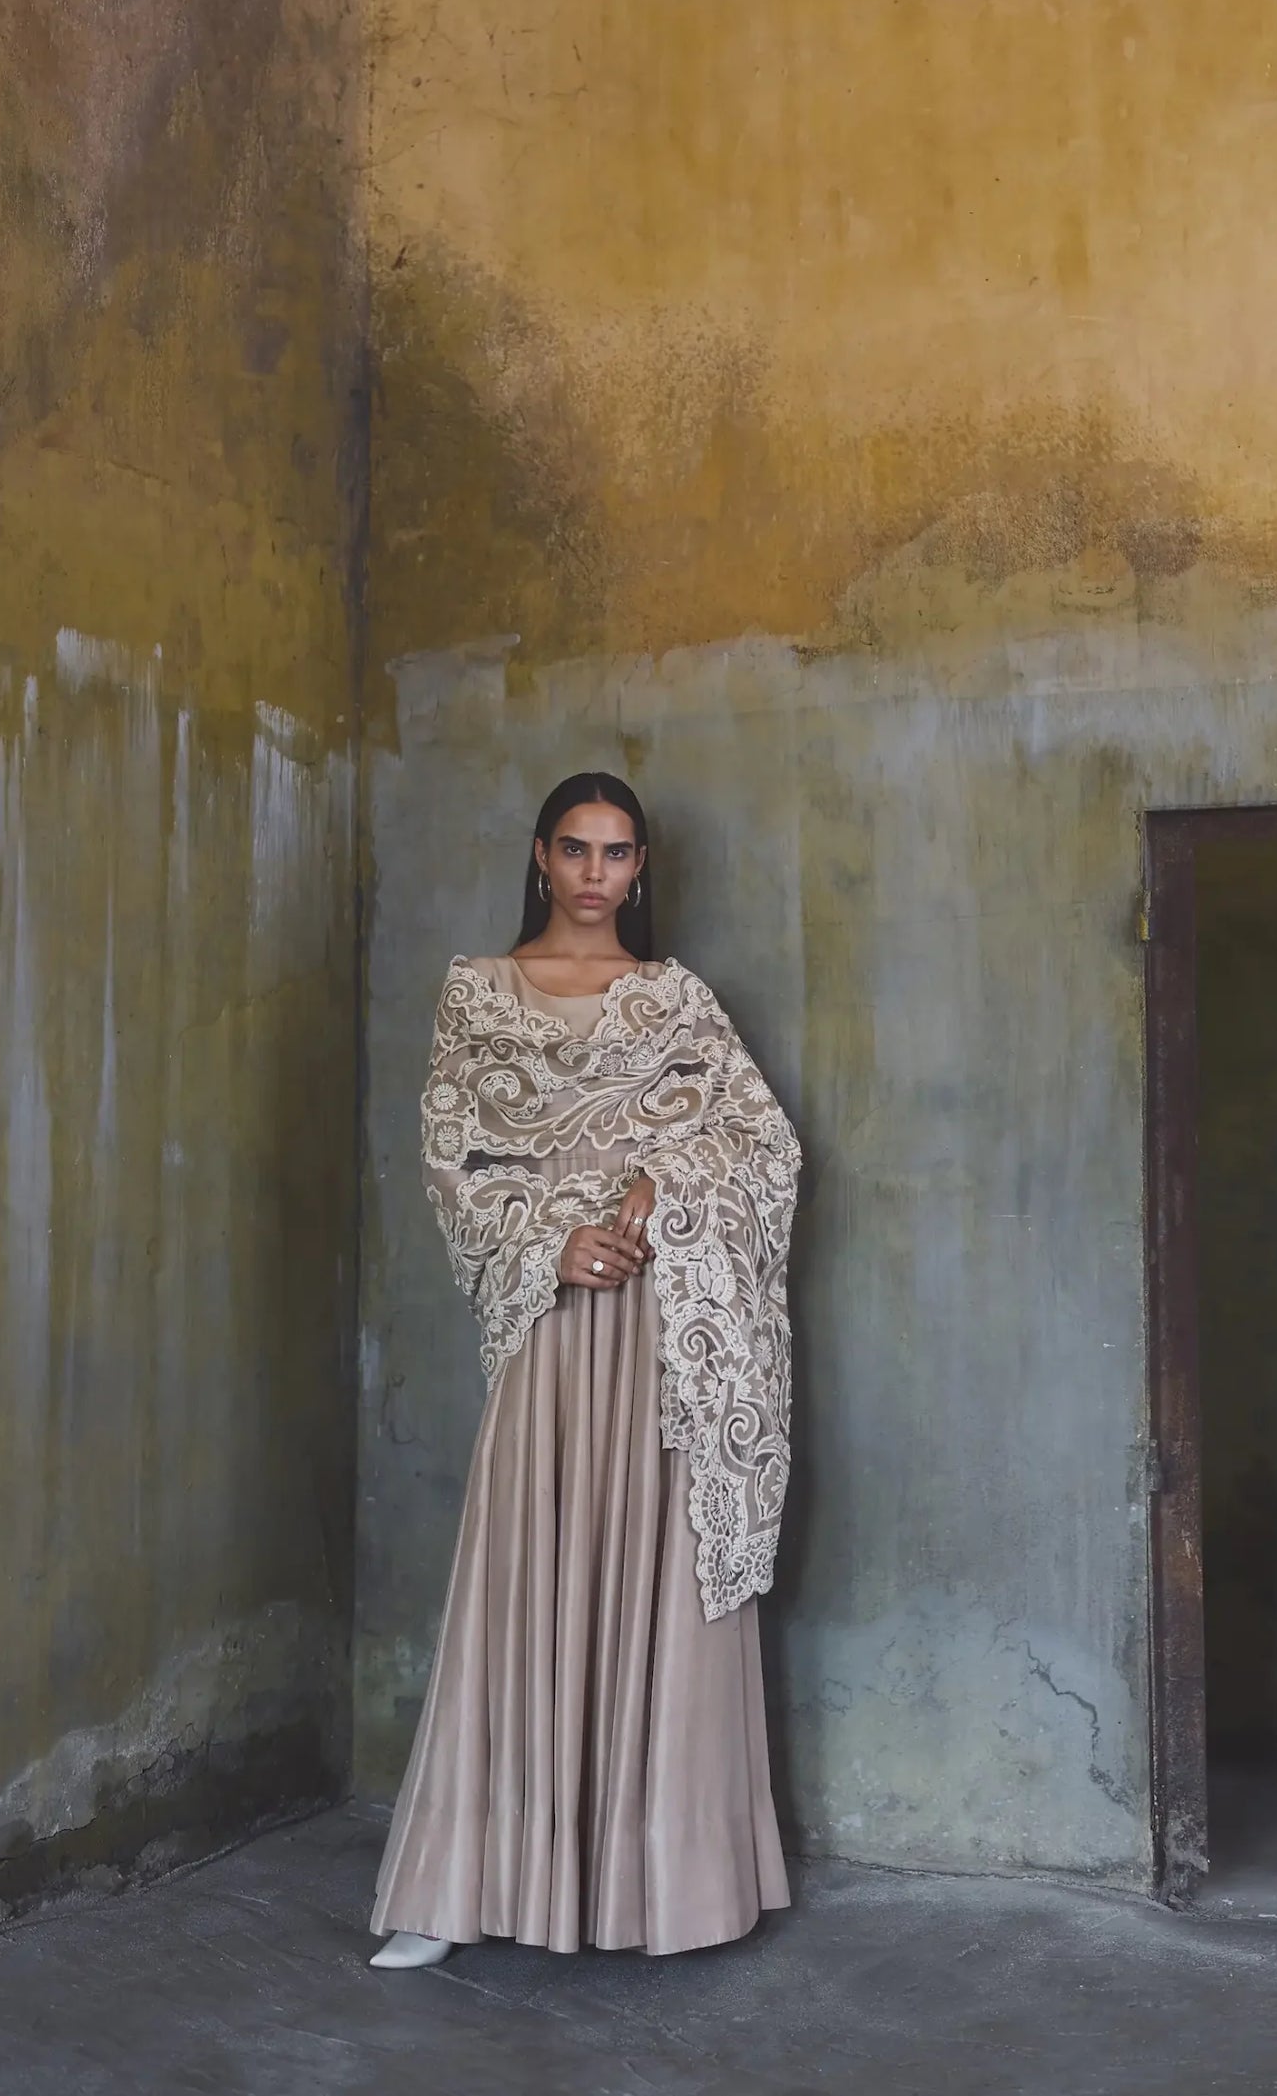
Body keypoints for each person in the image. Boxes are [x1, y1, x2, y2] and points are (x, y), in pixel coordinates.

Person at [370, 771, 801, 1967]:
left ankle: (664, 1887)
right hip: (555, 1320)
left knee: (658, 1580)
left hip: (666, 1328)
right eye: (575, 850)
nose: (594, 875)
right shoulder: (476, 995)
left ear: (640, 868)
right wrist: (548, 1245)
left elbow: (764, 1147)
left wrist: (666, 1186)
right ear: (540, 856)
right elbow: (453, 1164)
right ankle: (455, 1892)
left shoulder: (676, 1001)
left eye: (616, 854)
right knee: (521, 1577)